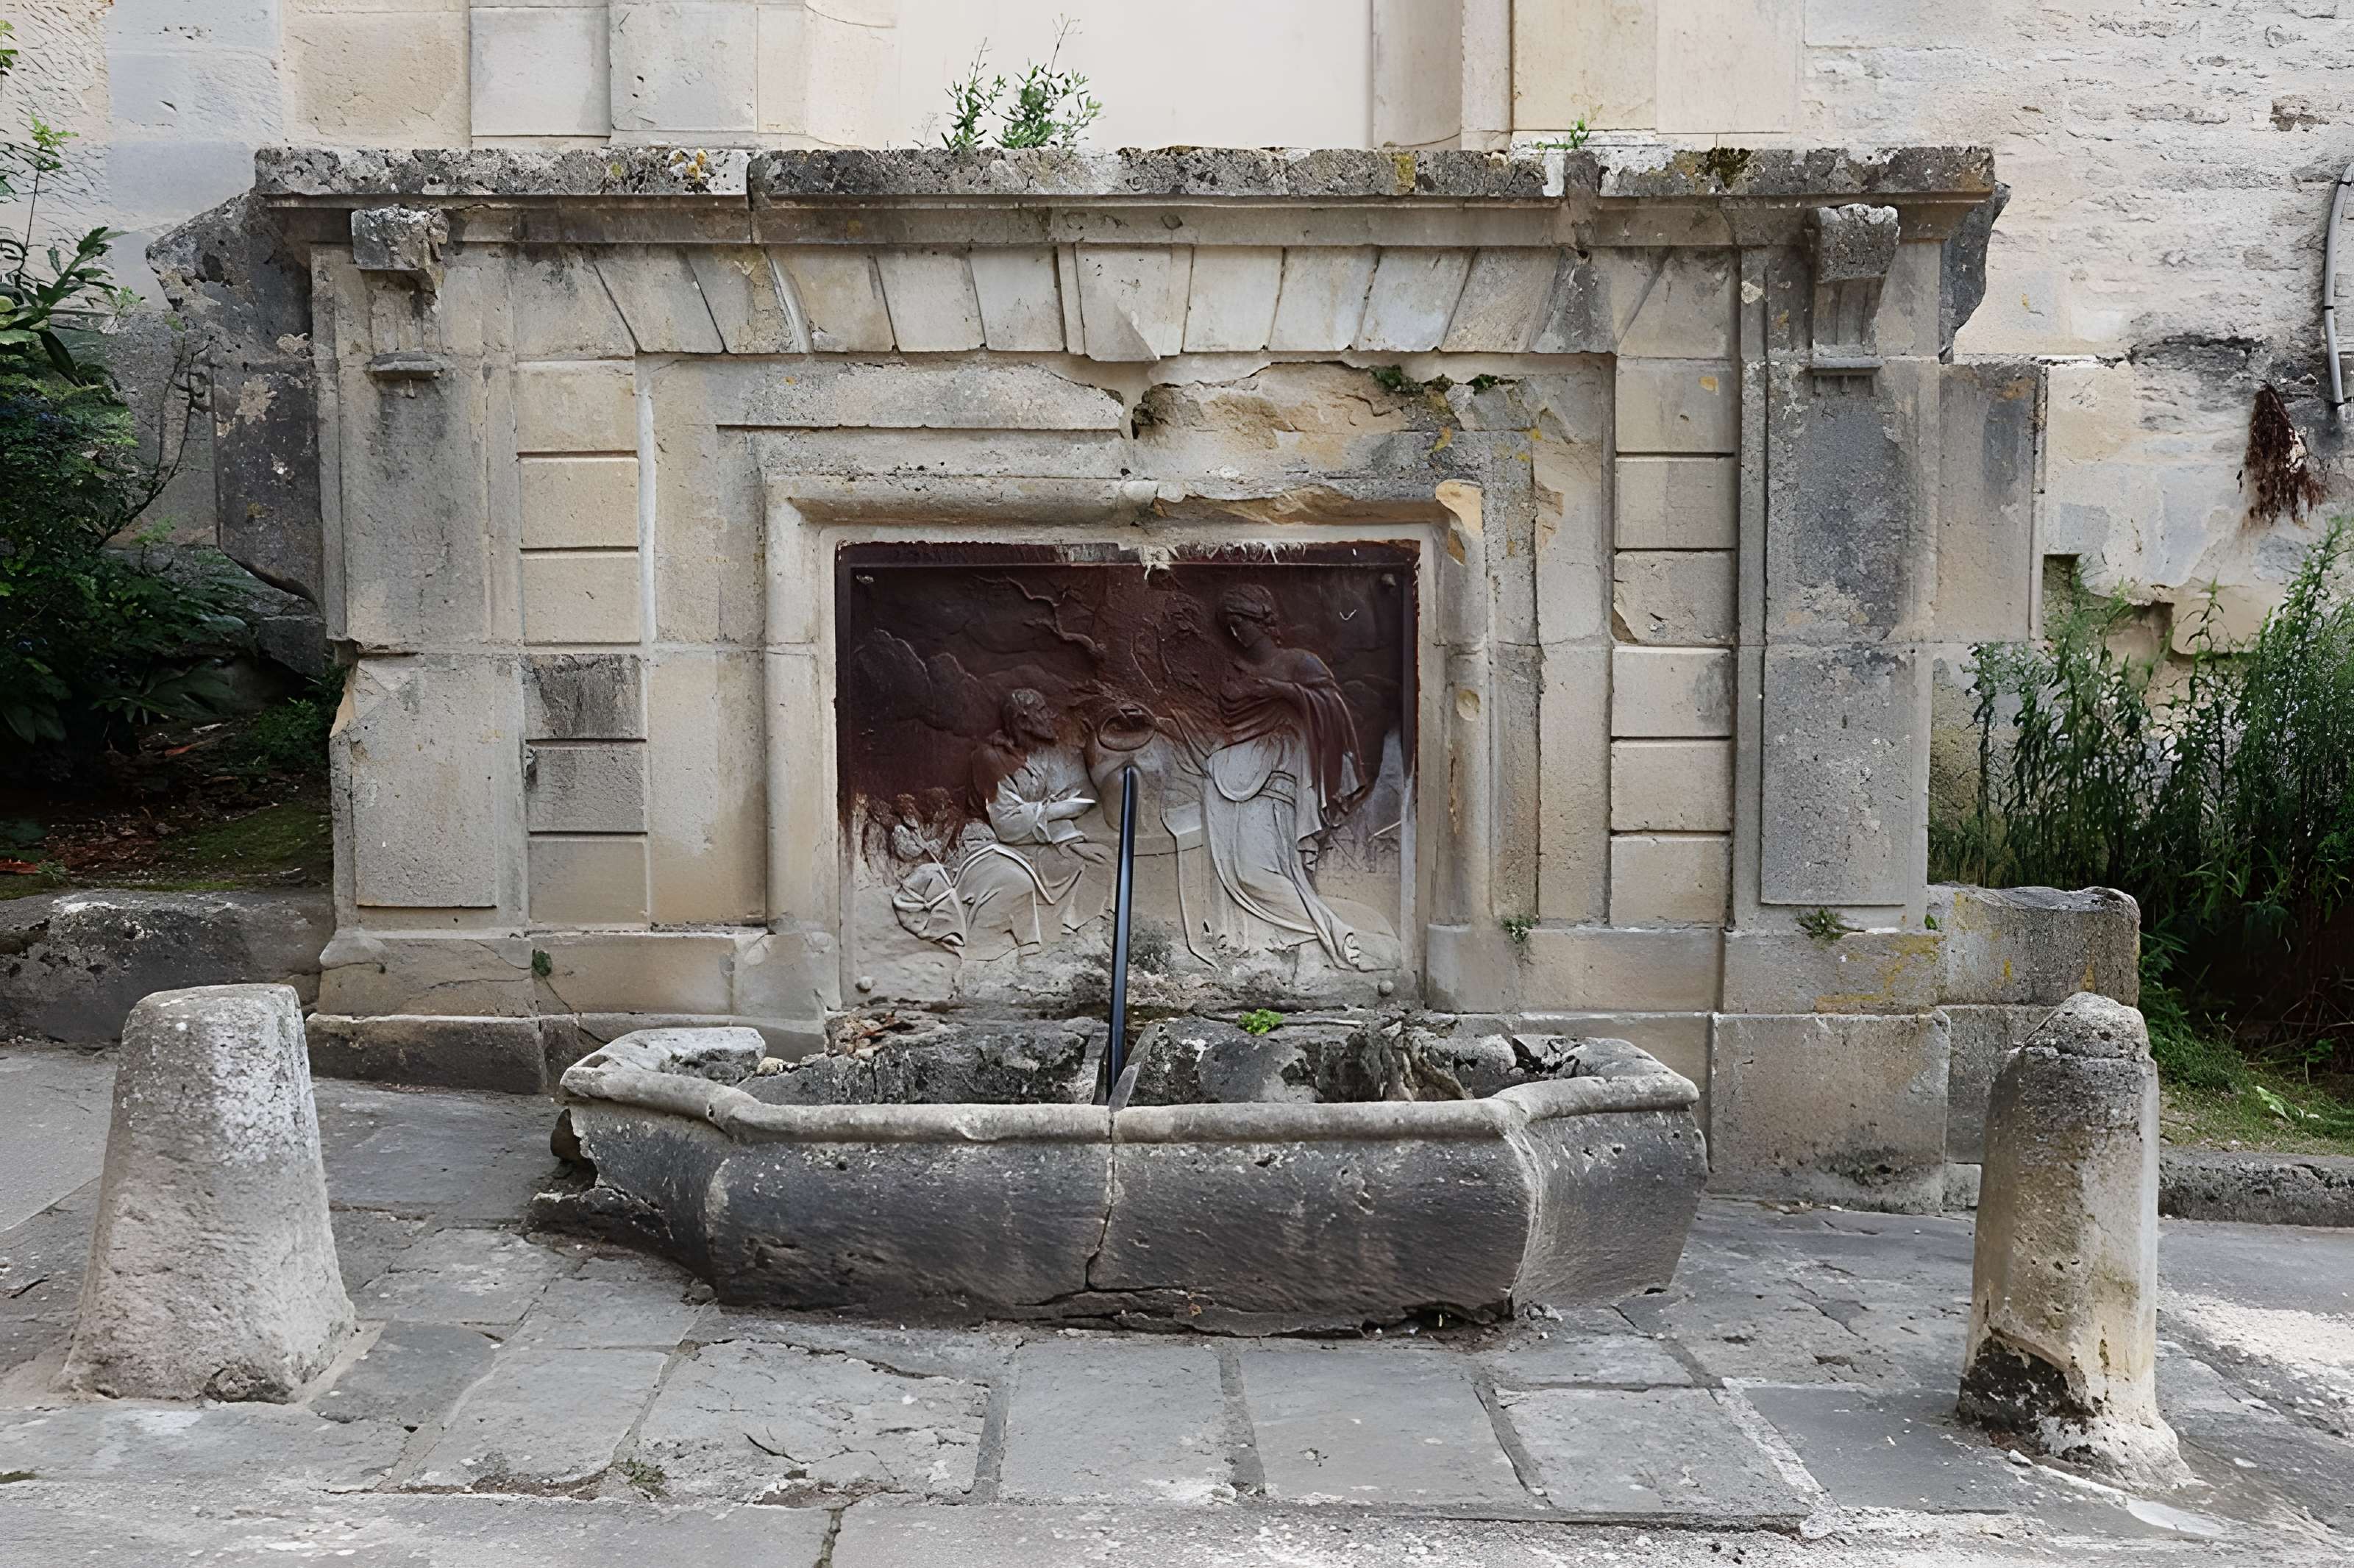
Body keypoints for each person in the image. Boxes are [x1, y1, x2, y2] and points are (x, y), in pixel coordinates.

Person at [1196, 585, 1376, 969]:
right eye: (1229, 625)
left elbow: (1333, 710)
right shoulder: (1237, 674)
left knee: (1255, 874)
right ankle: (1301, 939)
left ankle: (1332, 930)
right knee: (1249, 873)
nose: (1235, 633)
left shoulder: (1299, 662)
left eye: (1240, 622)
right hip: (1234, 785)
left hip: (1279, 787)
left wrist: (1281, 691)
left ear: (1261, 619)